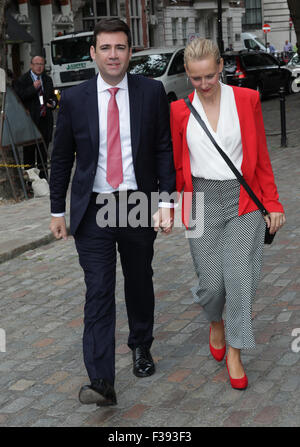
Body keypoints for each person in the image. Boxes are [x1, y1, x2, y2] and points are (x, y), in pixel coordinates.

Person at [49, 18, 175, 406]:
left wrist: (168, 202)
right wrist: (57, 211)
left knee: (139, 281)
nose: (113, 55)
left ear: (130, 52)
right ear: (93, 53)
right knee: (99, 291)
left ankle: (141, 345)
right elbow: (60, 158)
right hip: (94, 209)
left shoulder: (151, 93)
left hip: (136, 204)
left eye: (120, 47)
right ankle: (102, 380)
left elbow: (163, 148)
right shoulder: (73, 99)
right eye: (105, 48)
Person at [170, 38, 286, 390]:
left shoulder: (246, 100)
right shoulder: (179, 111)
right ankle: (215, 321)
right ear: (188, 75)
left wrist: (274, 202)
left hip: (243, 201)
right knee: (212, 283)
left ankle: (235, 350)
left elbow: (261, 157)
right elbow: (176, 163)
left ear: (220, 66)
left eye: (208, 75)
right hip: (199, 199)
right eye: (195, 78)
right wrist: (171, 205)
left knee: (239, 279)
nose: (203, 85)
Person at [14, 56, 57, 179]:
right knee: (29, 154)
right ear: (31, 65)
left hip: (45, 120)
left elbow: (53, 96)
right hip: (29, 122)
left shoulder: (47, 79)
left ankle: (44, 181)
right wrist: (33, 88)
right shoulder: (22, 80)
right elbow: (19, 97)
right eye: (36, 64)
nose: (39, 66)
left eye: (41, 64)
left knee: (43, 153)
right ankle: (31, 181)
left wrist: (53, 103)